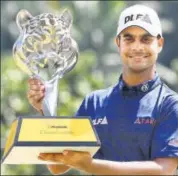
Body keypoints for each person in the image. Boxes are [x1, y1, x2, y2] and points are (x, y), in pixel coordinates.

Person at [27, 4, 178, 175]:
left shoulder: (170, 104)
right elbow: (57, 165)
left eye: (146, 39)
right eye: (129, 38)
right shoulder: (94, 103)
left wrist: (90, 165)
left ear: (159, 44)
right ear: (118, 43)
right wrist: (45, 109)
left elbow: (163, 170)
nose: (137, 47)